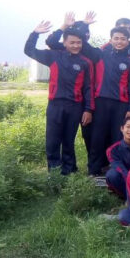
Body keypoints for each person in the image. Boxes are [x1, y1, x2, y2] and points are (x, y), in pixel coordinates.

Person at [24, 20, 94, 175]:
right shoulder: (53, 56)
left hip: (75, 106)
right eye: (72, 42)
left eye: (79, 43)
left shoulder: (85, 62)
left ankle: (69, 171)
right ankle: (55, 173)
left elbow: (88, 88)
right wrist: (35, 33)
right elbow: (29, 50)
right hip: (55, 105)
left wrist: (88, 109)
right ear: (65, 43)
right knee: (52, 140)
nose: (76, 45)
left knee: (69, 140)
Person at [89, 26, 130, 177]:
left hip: (121, 105)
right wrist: (84, 24)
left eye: (123, 39)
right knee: (97, 136)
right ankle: (94, 170)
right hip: (101, 102)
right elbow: (83, 46)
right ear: (110, 40)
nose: (119, 41)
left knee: (117, 137)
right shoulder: (100, 55)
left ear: (128, 41)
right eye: (116, 38)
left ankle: (114, 170)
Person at [105, 117, 130, 199]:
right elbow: (119, 168)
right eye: (128, 127)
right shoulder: (112, 150)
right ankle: (129, 197)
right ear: (122, 128)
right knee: (112, 175)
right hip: (124, 177)